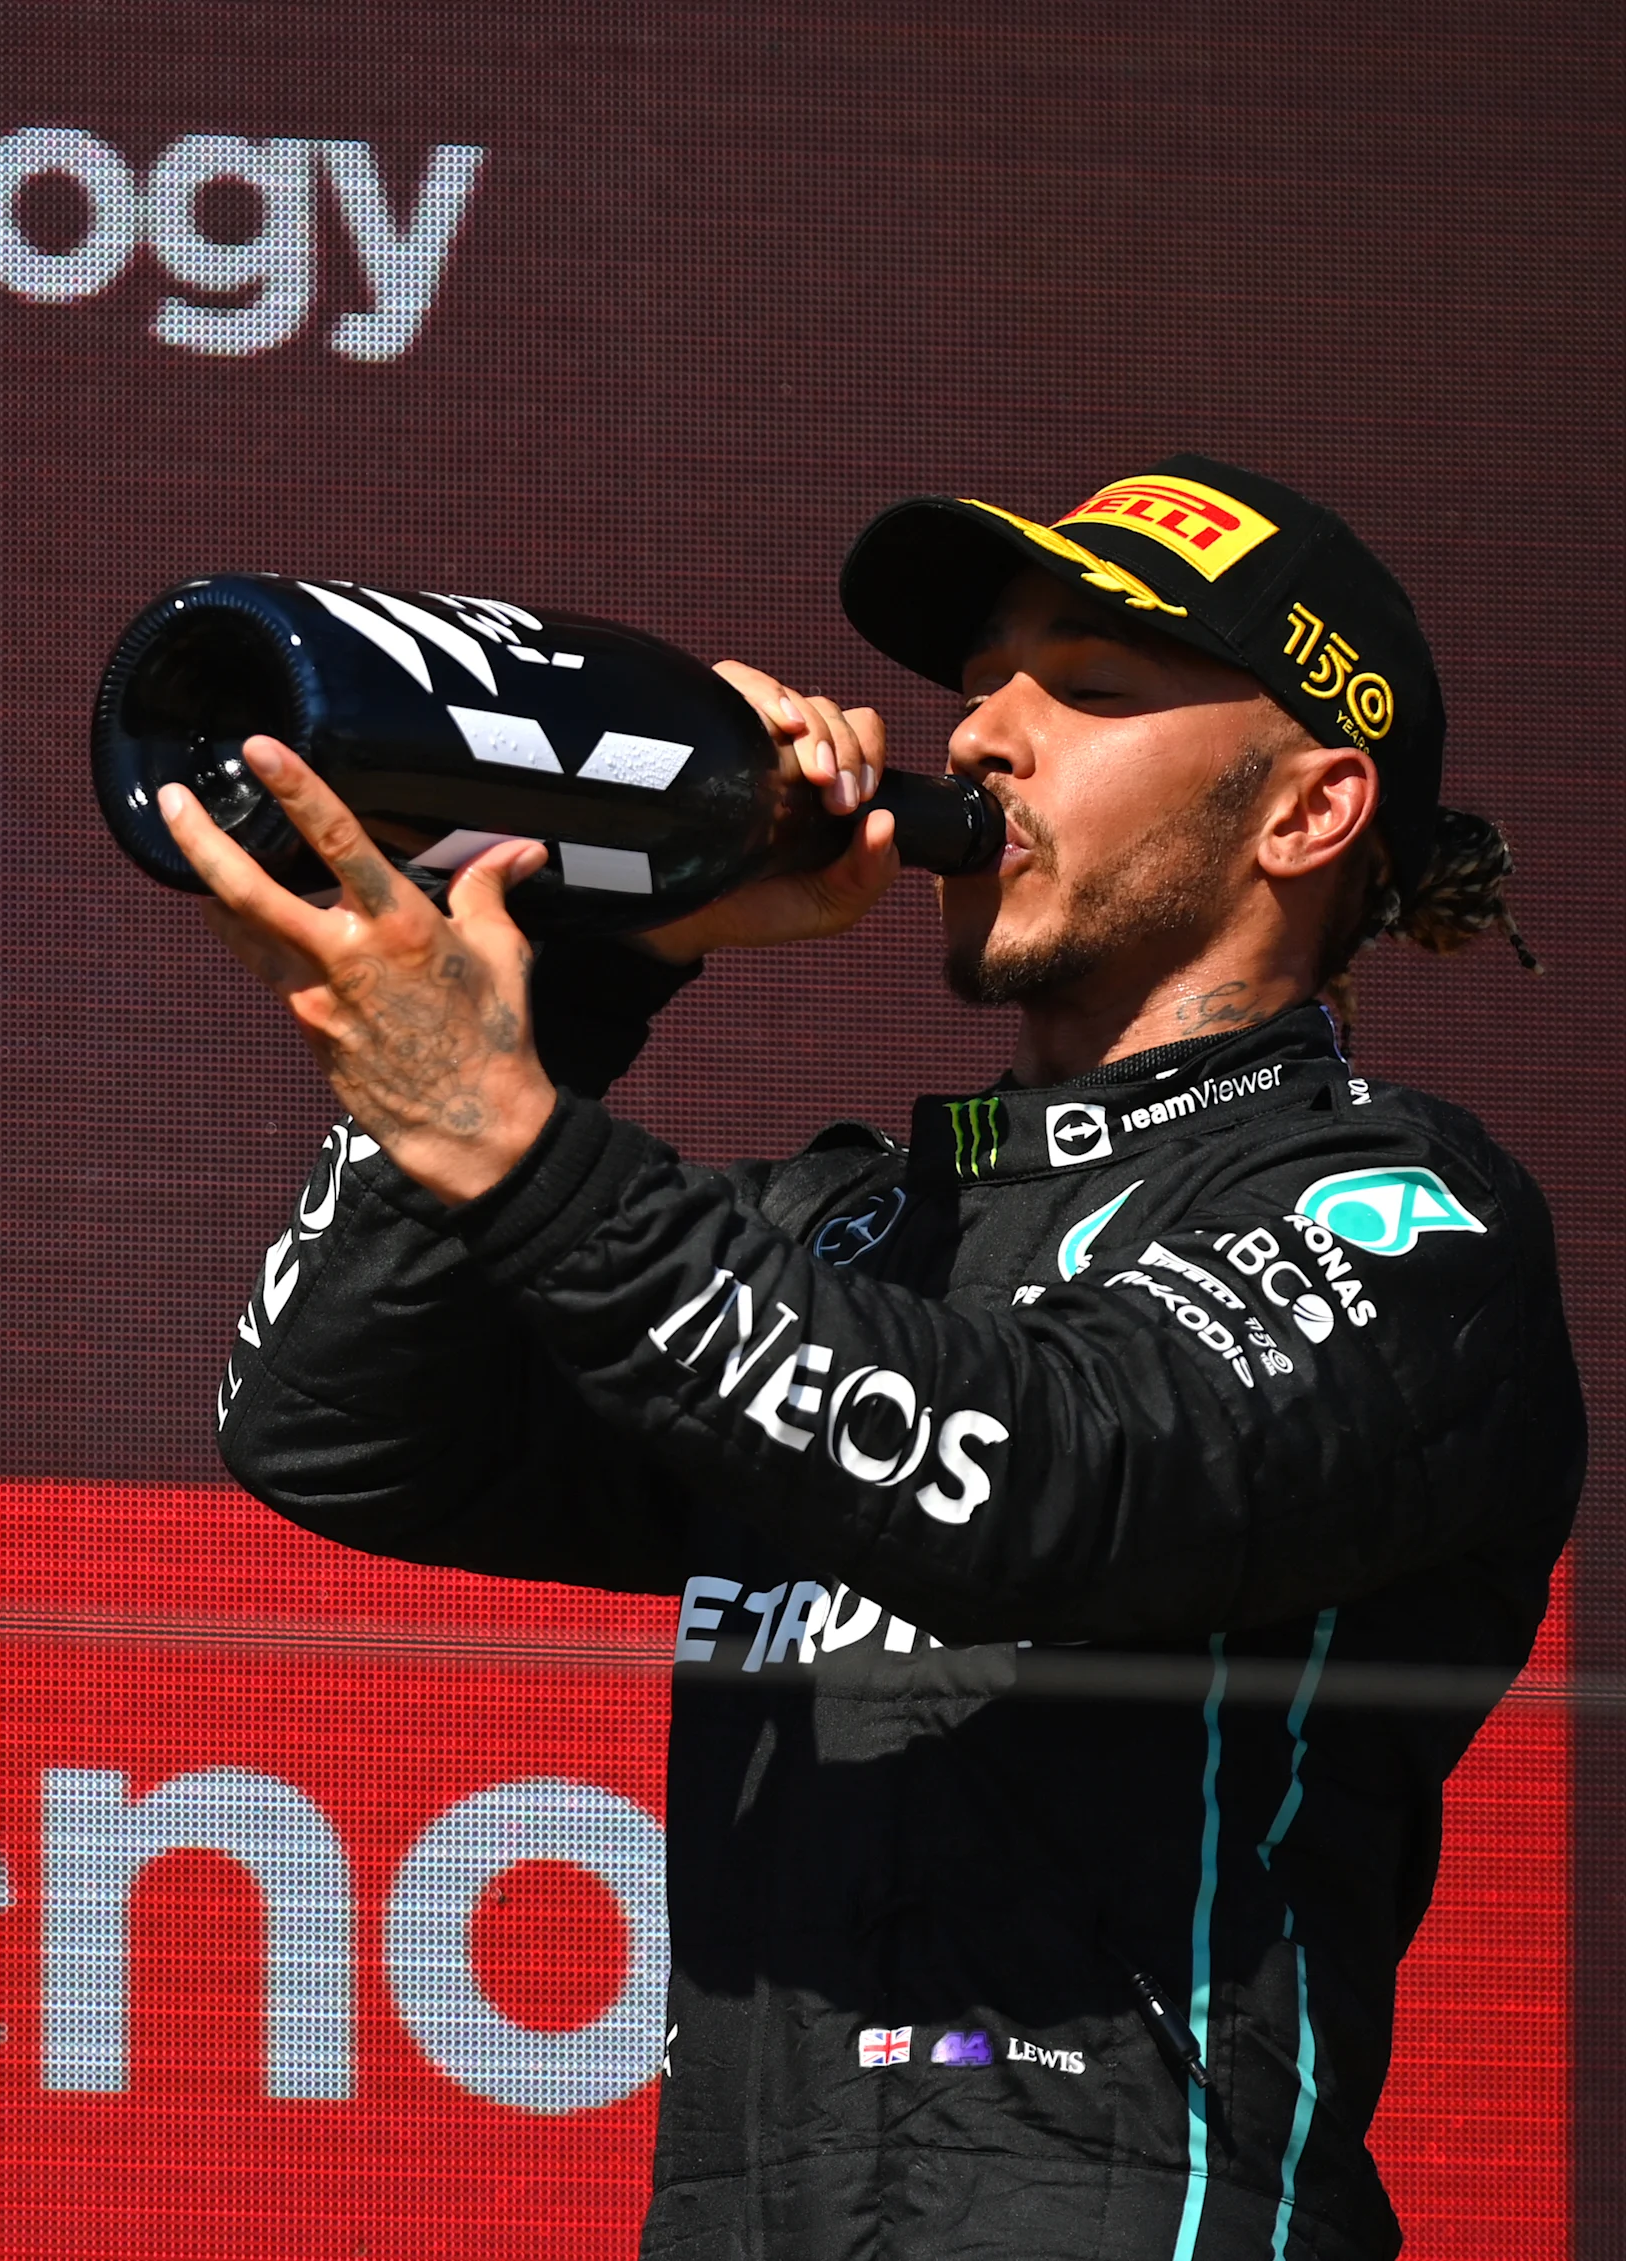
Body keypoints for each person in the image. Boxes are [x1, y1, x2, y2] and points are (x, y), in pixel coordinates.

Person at [176, 458, 1578, 2258]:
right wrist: (606, 966)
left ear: (1309, 812)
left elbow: (1047, 1484)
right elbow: (336, 1432)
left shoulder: (1409, 1215)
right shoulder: (856, 1228)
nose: (984, 733)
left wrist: (521, 1147)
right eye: (981, 680)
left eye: (1087, 683)